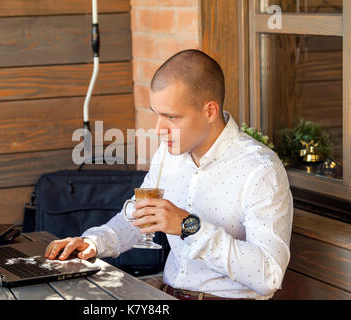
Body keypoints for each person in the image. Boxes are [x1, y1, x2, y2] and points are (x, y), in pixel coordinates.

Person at [44, 49, 293, 300]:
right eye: (157, 114)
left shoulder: (260, 169)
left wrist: (188, 226)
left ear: (209, 111)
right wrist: (93, 242)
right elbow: (137, 218)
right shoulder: (168, 154)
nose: (158, 129)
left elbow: (269, 276)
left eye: (171, 117)